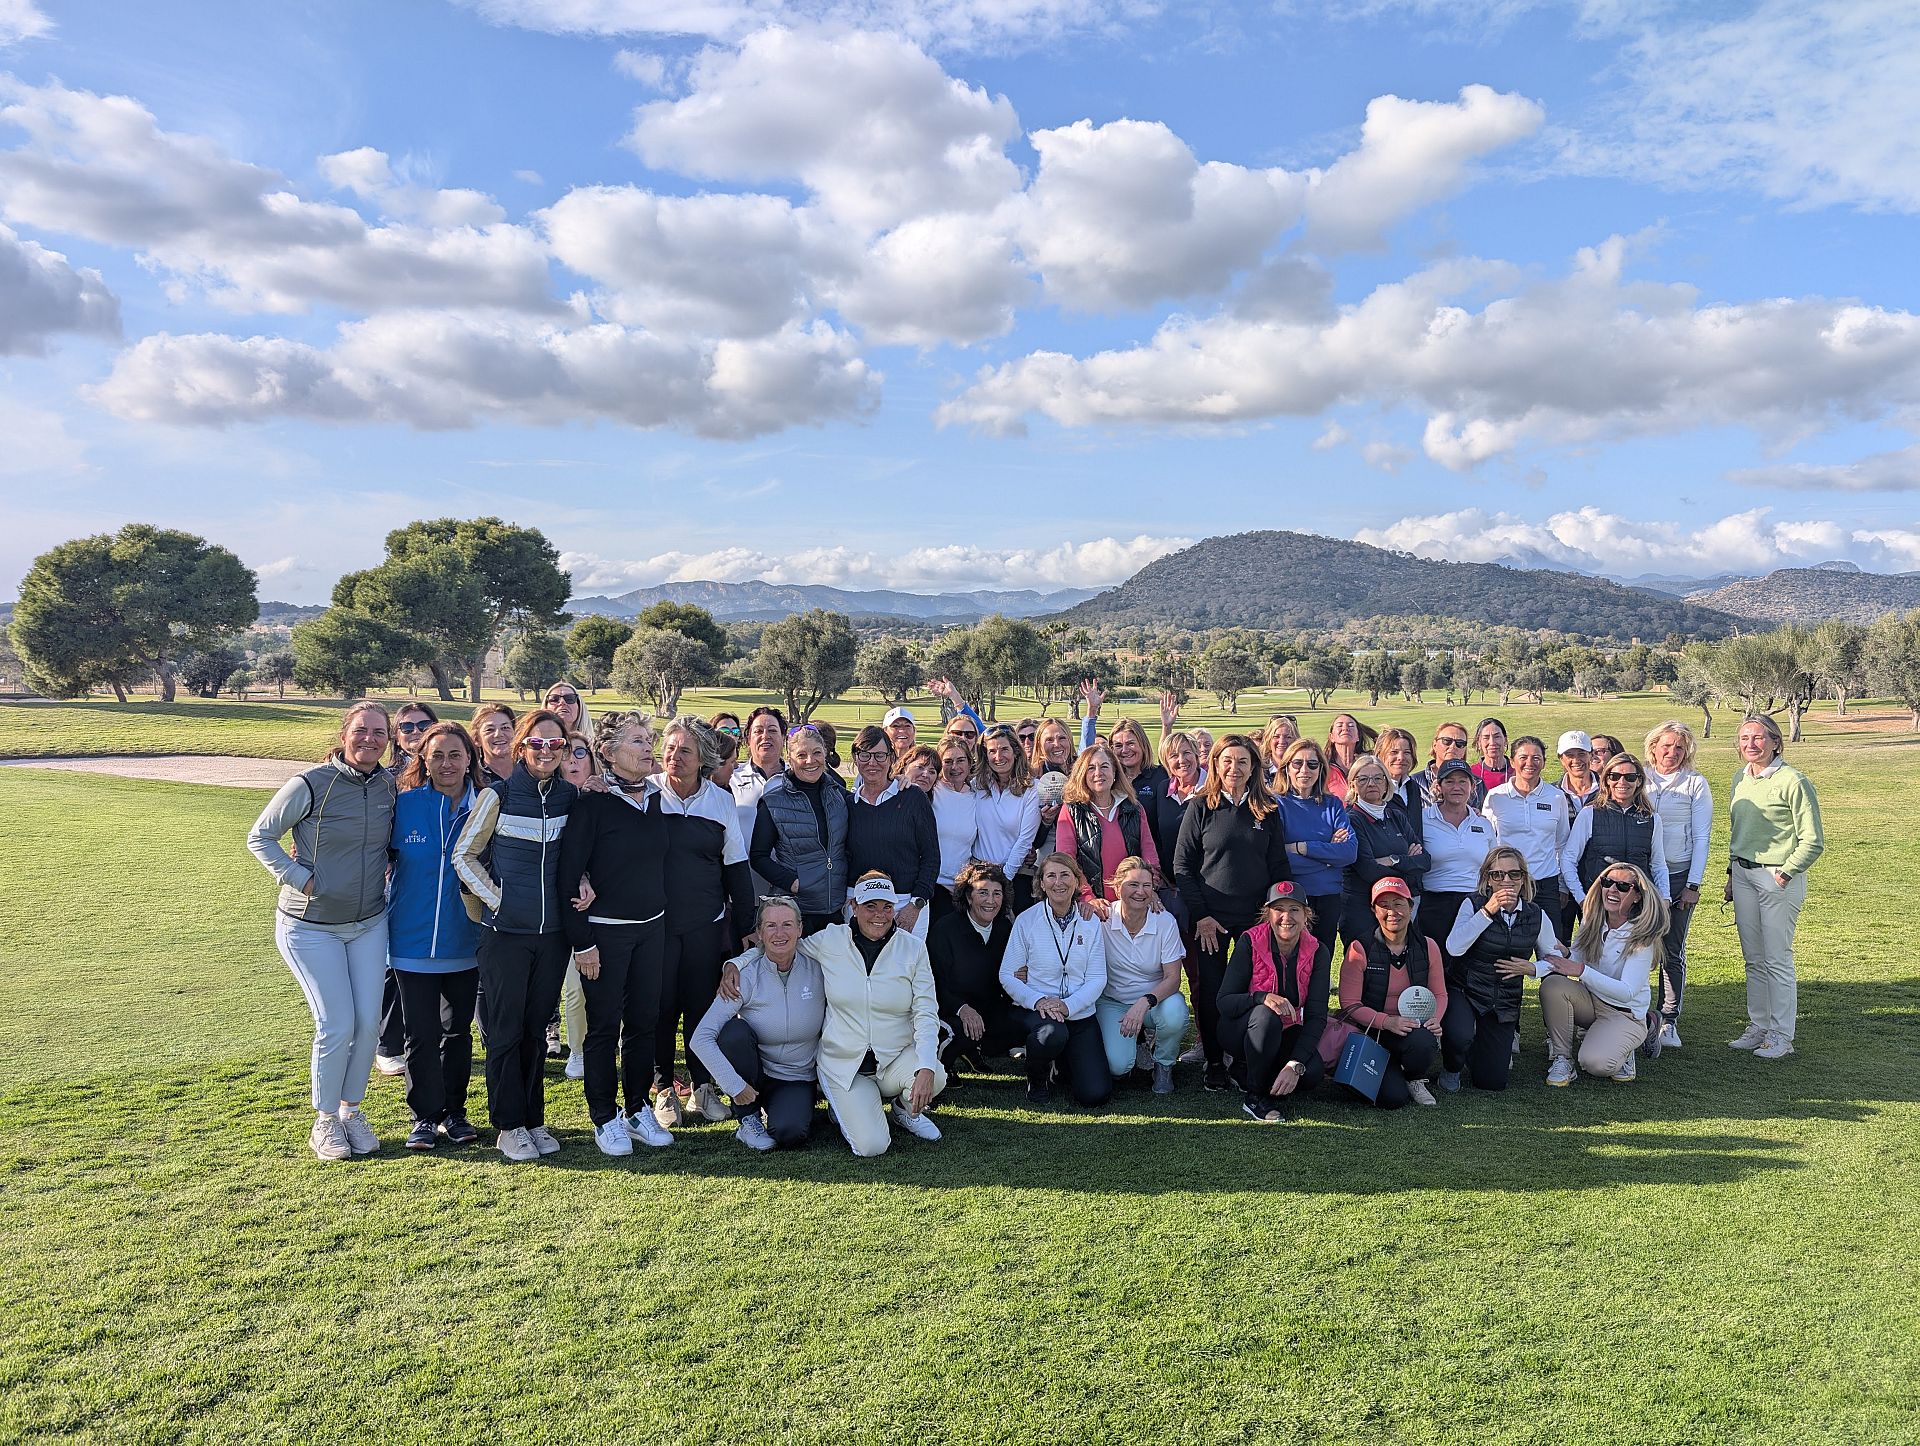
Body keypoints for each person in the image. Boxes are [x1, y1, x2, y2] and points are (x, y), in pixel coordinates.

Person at [247, 703, 400, 1161]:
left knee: (369, 1024)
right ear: (344, 733)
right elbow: (261, 836)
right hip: (309, 926)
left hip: (369, 922)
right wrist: (302, 878)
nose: (370, 739)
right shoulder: (310, 783)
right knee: (337, 1024)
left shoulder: (390, 784)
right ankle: (325, 1121)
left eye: (379, 733)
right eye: (361, 731)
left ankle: (351, 1112)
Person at [451, 708, 578, 1162]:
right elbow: (464, 856)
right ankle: (508, 1125)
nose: (547, 751)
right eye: (538, 744)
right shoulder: (498, 796)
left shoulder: (570, 797)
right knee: (504, 1032)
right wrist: (500, 901)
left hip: (553, 936)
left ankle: (533, 1119)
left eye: (556, 744)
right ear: (521, 747)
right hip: (504, 935)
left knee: (534, 1031)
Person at [556, 711, 676, 1157]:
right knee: (604, 1029)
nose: (649, 748)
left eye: (649, 740)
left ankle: (637, 1106)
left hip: (652, 931)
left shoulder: (655, 797)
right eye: (637, 741)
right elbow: (570, 877)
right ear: (607, 753)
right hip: (604, 937)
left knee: (644, 1023)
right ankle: (604, 1117)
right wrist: (583, 942)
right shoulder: (591, 802)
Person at [650, 715, 757, 1129]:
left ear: (703, 760)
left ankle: (702, 1088)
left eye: (686, 751)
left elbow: (736, 869)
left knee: (699, 1007)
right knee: (660, 1008)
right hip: (654, 925)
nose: (675, 757)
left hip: (705, 924)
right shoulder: (646, 794)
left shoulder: (721, 802)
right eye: (671, 749)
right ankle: (662, 1090)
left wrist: (745, 924)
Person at [1173, 734, 1292, 1091]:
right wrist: (1203, 915)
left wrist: (1276, 914)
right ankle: (1213, 1061)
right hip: (1210, 921)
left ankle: (1242, 1059)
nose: (1234, 768)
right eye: (1227, 760)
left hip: (1255, 922)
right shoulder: (1201, 807)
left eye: (1242, 761)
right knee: (1211, 991)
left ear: (1254, 766)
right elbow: (1182, 866)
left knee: (1252, 990)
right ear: (1216, 764)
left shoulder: (1267, 810)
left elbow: (1279, 866)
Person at [387, 721, 485, 1150]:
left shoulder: (487, 808)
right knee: (420, 1035)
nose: (447, 764)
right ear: (422, 761)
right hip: (410, 941)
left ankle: (455, 1113)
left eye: (455, 755)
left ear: (469, 760)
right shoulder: (402, 805)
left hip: (466, 941)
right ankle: (425, 1116)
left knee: (457, 1034)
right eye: (437, 755)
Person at [811, 873, 946, 1154]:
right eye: (870, 906)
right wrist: (738, 963)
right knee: (872, 1147)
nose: (880, 915)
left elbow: (925, 1012)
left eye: (887, 907)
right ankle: (845, 1105)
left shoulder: (913, 947)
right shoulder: (831, 939)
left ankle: (904, 1110)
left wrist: (925, 1068)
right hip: (845, 1065)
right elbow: (784, 948)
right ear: (854, 906)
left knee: (936, 1073)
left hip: (892, 1059)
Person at [1503, 863, 1666, 1086]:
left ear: (1637, 896)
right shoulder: (1593, 921)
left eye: (1622, 886)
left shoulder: (1642, 937)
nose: (1612, 890)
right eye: (1607, 883)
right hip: (1592, 1002)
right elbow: (1575, 959)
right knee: (1552, 986)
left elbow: (1627, 992)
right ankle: (1563, 1058)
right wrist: (1549, 961)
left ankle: (1643, 1029)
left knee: (1595, 1063)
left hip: (1624, 1013)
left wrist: (1580, 970)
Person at [1725, 714, 1824, 1060]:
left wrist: (1784, 873)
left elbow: (1812, 840)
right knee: (1754, 958)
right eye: (1744, 738)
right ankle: (1759, 1026)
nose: (1751, 744)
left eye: (1759, 738)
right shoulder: (1741, 777)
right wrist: (1731, 873)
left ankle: (1781, 1035)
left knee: (1776, 959)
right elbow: (1739, 832)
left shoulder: (1793, 781)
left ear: (1775, 742)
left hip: (1777, 878)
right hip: (1743, 875)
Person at [693, 895, 825, 1151]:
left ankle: (788, 1108)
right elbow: (701, 1037)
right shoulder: (744, 975)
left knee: (790, 1133)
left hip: (796, 1077)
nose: (779, 933)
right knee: (733, 1033)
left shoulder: (819, 969)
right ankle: (748, 1118)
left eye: (787, 924)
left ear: (800, 929)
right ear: (759, 933)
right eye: (770, 926)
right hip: (755, 1073)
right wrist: (735, 1085)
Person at [1440, 846, 1564, 1092]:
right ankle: (1451, 1066)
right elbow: (1454, 947)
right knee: (1460, 1034)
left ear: (1523, 879)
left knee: (1492, 1082)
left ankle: (1478, 1049)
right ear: (1487, 878)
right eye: (1497, 874)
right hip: (1465, 990)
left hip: (1503, 1001)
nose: (1506, 880)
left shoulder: (1536, 914)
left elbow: (1556, 958)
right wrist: (1488, 911)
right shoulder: (1473, 904)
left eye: (1514, 874)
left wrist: (1532, 968)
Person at [1000, 853, 1111, 1106]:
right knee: (1052, 1033)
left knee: (1094, 1095)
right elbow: (1007, 974)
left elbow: (1096, 978)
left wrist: (1068, 1005)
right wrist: (1039, 1001)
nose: (1058, 882)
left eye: (1065, 875)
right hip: (1039, 1012)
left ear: (1076, 881)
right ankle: (1037, 1078)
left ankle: (1059, 1064)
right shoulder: (1026, 920)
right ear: (1041, 883)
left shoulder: (1090, 921)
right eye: (1051, 875)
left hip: (1079, 1013)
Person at [1218, 881, 1329, 1123]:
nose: (1286, 917)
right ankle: (1254, 1097)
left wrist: (1294, 1064)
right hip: (1240, 1030)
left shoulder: (1318, 950)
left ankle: (1247, 1072)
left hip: (1285, 1030)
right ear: (1267, 914)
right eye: (1279, 909)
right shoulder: (1249, 942)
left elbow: (1317, 1015)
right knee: (1266, 1015)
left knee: (1312, 1074)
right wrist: (1261, 997)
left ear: (1306, 915)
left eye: (1294, 909)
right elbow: (1224, 1002)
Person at [1330, 877, 1444, 1109]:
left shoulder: (1428, 946)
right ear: (1374, 910)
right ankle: (1384, 1071)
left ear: (1411, 907)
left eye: (1399, 903)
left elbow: (1440, 994)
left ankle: (1414, 1078)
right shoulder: (1359, 948)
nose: (1392, 912)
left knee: (1424, 1040)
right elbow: (1349, 1003)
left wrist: (1434, 1019)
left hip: (1409, 1029)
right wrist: (1387, 1022)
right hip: (1370, 1031)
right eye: (1384, 905)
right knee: (1393, 1099)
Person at [374, 699, 442, 1075]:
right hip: (395, 881)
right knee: (394, 964)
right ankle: (388, 1042)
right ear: (396, 738)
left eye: (422, 725)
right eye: (407, 727)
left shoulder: (447, 769)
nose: (415, 732)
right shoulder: (387, 779)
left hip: (437, 881)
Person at [1643, 719, 1712, 1053]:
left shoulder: (1695, 783)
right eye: (1665, 745)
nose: (1671, 752)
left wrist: (1693, 884)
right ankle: (1634, 1011)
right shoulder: (1638, 776)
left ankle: (1668, 1017)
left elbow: (1701, 836)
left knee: (1671, 948)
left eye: (1679, 747)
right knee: (1637, 946)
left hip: (1678, 875)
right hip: (1641, 878)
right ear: (1653, 746)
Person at [1096, 857, 1188, 1094]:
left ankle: (1164, 1064)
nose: (1140, 892)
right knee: (1117, 1067)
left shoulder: (1164, 922)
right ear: (1117, 888)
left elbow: (1173, 978)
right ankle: (1134, 1046)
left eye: (1146, 885)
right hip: (1113, 1001)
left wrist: (1144, 1002)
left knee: (1176, 1014)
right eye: (1132, 885)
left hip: (1155, 1000)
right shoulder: (1102, 918)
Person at [751, 723, 850, 936]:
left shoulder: (840, 795)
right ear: (790, 757)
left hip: (837, 909)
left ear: (825, 753)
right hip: (795, 910)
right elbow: (758, 857)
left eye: (816, 753)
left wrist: (897, 780)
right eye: (801, 755)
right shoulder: (773, 801)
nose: (810, 761)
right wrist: (793, 883)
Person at [927, 861, 1021, 1080]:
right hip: (950, 1010)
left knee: (1022, 1024)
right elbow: (934, 982)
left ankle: (973, 1050)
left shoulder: (1004, 929)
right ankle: (942, 1065)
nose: (991, 901)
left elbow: (1002, 979)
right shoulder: (945, 929)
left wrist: (1018, 977)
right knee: (962, 1030)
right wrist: (961, 1008)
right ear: (968, 896)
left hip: (987, 1008)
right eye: (983, 893)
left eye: (997, 893)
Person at [846, 725, 940, 942]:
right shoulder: (848, 803)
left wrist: (916, 904)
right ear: (855, 758)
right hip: (858, 904)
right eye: (865, 755)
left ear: (891, 757)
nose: (872, 762)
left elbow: (931, 856)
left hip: (905, 904)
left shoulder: (912, 798)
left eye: (880, 755)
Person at [1056, 741, 1162, 914]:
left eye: (1104, 766)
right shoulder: (1071, 810)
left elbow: (1149, 853)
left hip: (1132, 904)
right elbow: (1067, 860)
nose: (1098, 773)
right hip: (1091, 907)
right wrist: (1087, 897)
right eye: (1091, 768)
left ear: (1114, 772)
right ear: (1082, 774)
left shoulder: (1134, 808)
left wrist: (1150, 890)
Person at [1272, 738, 1357, 943]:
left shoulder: (1333, 804)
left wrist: (1302, 848)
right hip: (1291, 898)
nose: (1304, 770)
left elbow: (1349, 852)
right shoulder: (1275, 805)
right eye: (1297, 763)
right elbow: (1278, 858)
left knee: (1322, 959)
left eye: (1312, 764)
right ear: (1287, 768)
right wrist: (1328, 858)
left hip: (1329, 896)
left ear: (1320, 769)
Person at [1481, 735, 1571, 926]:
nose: (1529, 763)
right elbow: (1486, 844)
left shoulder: (1556, 797)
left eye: (1536, 758)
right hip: (1507, 883)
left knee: (1552, 947)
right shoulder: (1496, 796)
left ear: (1544, 763)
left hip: (1546, 884)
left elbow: (1562, 844)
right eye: (1523, 757)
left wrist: (1562, 885)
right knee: (1508, 947)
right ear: (1512, 761)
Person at [1341, 755, 1427, 948]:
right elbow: (1368, 869)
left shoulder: (1397, 816)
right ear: (1353, 785)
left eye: (1378, 778)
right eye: (1363, 779)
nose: (1371, 783)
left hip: (1396, 908)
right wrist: (1407, 864)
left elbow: (1425, 861)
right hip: (1360, 907)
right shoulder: (1351, 819)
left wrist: (1393, 860)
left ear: (1387, 783)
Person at [1561, 751, 1667, 907]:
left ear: (1639, 781)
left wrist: (1665, 897)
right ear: (1607, 780)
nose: (1622, 782)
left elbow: (1658, 865)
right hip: (1600, 903)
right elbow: (1568, 859)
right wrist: (1582, 898)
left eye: (1630, 777)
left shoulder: (1651, 819)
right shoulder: (1589, 814)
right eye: (1615, 776)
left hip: (1639, 903)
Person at [1420, 758, 1493, 963]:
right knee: (1438, 963)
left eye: (1463, 782)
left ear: (1472, 786)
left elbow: (1492, 864)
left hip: (1475, 902)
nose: (1457, 787)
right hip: (1436, 902)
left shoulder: (1482, 824)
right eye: (1450, 782)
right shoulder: (1423, 819)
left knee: (1473, 962)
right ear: (1439, 786)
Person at [974, 723, 1040, 916]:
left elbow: (1025, 840)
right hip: (978, 874)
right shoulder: (976, 785)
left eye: (1004, 749)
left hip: (1015, 876)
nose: (998, 756)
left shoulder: (1032, 789)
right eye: (992, 751)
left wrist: (1001, 880)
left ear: (1016, 752)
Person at [730, 705, 789, 889]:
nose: (766, 736)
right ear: (748, 738)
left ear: (784, 738)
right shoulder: (731, 778)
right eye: (758, 731)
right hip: (742, 889)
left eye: (773, 730)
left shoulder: (798, 780)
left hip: (789, 891)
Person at [928, 735, 979, 925]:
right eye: (947, 762)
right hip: (932, 885)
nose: (954, 767)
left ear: (969, 762)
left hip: (960, 888)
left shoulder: (976, 796)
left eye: (960, 760)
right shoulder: (932, 790)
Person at [1414, 722, 1482, 807]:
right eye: (1446, 741)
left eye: (1460, 743)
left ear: (1464, 750)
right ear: (1435, 745)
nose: (1453, 746)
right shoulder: (1414, 782)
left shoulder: (1478, 783)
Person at [1322, 713, 1376, 801]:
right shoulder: (1322, 767)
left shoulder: (1369, 764)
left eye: (1351, 726)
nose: (1345, 728)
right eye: (1339, 725)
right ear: (1331, 737)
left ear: (1358, 736)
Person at [471, 702, 517, 784]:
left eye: (505, 727)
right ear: (477, 739)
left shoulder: (531, 772)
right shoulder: (472, 779)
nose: (498, 734)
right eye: (490, 729)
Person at [1556, 730, 1598, 818]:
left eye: (1581, 754)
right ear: (1561, 759)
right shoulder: (1552, 793)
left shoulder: (1607, 789)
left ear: (1591, 755)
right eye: (1569, 755)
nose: (1576, 760)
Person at [1471, 716, 1513, 793]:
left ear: (1505, 740)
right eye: (1486, 738)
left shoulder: (1517, 771)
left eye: (1497, 737)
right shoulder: (1471, 774)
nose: (1492, 742)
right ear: (1479, 743)